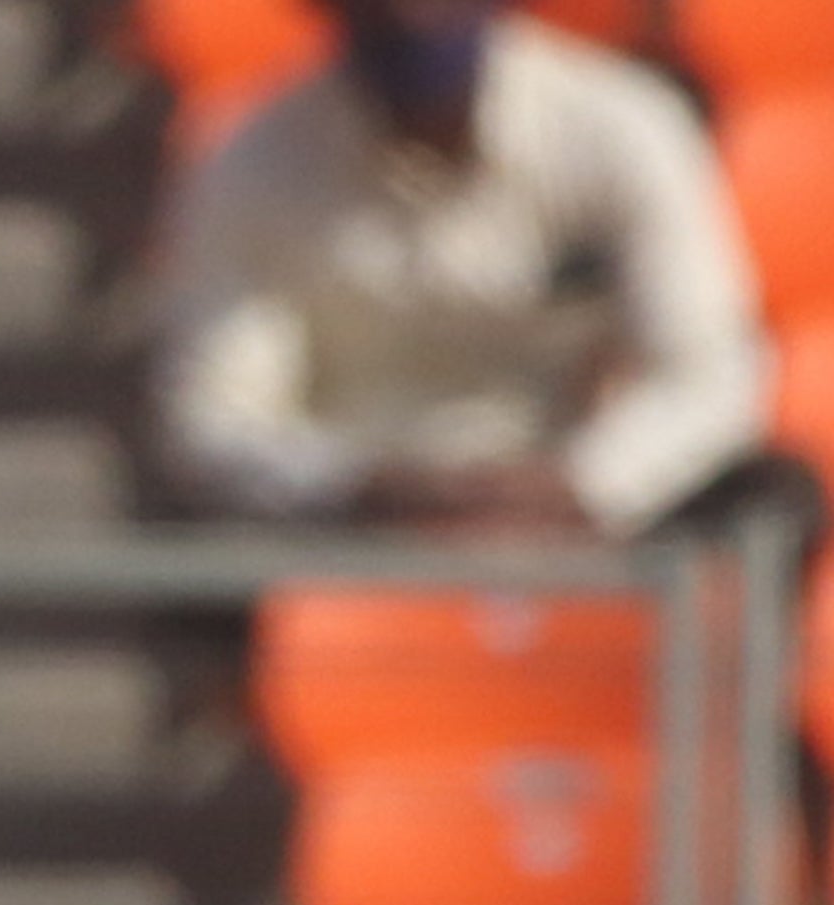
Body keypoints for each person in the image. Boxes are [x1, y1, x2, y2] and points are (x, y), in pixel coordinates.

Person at [148, 0, 779, 539]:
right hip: (350, 524)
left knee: (772, 499)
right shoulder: (251, 161)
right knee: (184, 525)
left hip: (584, 510)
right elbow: (216, 415)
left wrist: (584, 486)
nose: (414, 14)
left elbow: (711, 372)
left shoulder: (619, 127)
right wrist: (357, 485)